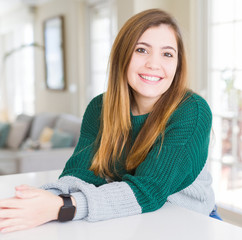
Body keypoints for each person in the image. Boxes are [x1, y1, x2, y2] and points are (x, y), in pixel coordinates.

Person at [0, 8, 220, 233]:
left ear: (177, 64)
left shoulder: (191, 110)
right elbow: (80, 173)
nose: (154, 64)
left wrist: (63, 206)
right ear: (122, 55)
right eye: (142, 50)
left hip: (192, 223)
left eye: (167, 54)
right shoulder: (100, 108)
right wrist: (45, 199)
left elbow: (149, 190)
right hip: (129, 218)